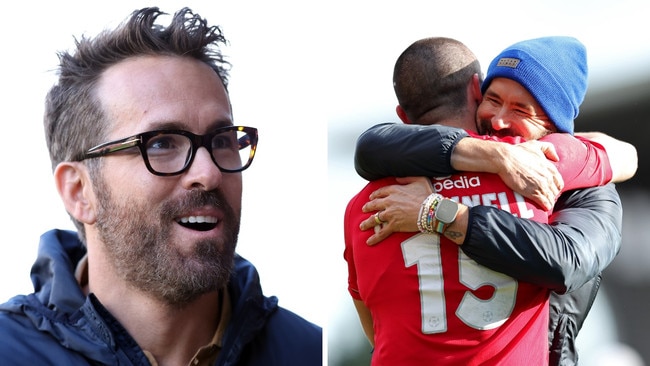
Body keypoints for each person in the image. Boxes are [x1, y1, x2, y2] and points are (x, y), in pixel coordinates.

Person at [0, 7, 321, 365]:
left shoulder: (308, 351)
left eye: (221, 141)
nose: (209, 173)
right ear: (79, 191)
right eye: (161, 143)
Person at [344, 37, 635, 365]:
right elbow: (623, 156)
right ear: (476, 90)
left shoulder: (366, 204)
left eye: (521, 110)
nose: (498, 121)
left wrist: (437, 211)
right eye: (493, 99)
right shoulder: (557, 177)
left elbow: (375, 329)